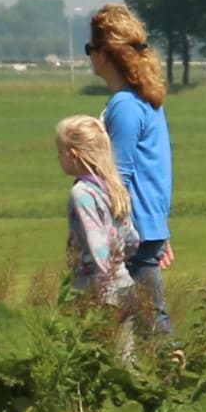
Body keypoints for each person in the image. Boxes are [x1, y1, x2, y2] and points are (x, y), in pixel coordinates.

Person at [85, 2, 176, 344]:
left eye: (90, 48)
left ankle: (170, 377)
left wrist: (101, 229)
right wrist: (160, 229)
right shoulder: (146, 98)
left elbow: (116, 176)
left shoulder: (124, 105)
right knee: (139, 316)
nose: (89, 56)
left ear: (105, 54)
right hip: (148, 224)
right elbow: (155, 170)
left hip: (132, 228)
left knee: (150, 320)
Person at [55, 114, 151, 359]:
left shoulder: (82, 193)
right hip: (124, 283)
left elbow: (97, 247)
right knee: (124, 356)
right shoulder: (114, 187)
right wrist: (118, 264)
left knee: (89, 357)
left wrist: (100, 290)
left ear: (73, 154)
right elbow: (132, 239)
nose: (58, 158)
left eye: (60, 152)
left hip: (95, 289)